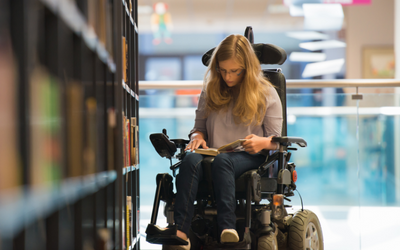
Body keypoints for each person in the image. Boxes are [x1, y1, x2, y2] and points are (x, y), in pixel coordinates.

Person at [164, 34, 283, 250]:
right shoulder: (210, 90)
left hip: (248, 155)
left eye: (234, 71)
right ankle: (181, 231)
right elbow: (198, 128)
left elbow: (277, 142)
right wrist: (197, 137)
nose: (228, 76)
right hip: (214, 152)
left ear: (246, 68)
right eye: (223, 70)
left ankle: (227, 229)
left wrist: (262, 142)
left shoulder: (267, 93)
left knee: (223, 162)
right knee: (190, 160)